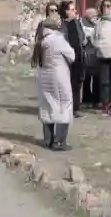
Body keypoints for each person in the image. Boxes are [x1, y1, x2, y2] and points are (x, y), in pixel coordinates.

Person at [33, 13, 76, 150]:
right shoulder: (58, 40)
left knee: (48, 107)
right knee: (64, 106)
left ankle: (48, 140)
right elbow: (72, 56)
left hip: (44, 77)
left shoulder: (41, 40)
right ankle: (59, 141)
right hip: (59, 77)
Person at [59, 1, 86, 117]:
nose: (75, 11)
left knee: (78, 83)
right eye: (72, 9)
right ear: (66, 11)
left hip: (79, 57)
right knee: (69, 84)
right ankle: (67, 108)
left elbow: (82, 37)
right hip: (69, 59)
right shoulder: (63, 26)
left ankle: (75, 108)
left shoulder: (77, 23)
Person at [80, 8, 101, 109]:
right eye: (91, 16)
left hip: (97, 53)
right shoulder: (81, 23)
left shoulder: (99, 24)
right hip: (86, 53)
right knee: (87, 78)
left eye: (95, 15)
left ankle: (97, 99)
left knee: (97, 78)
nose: (94, 18)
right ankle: (86, 99)